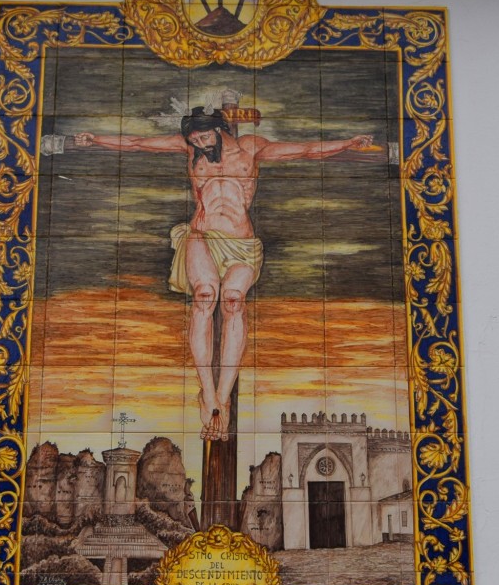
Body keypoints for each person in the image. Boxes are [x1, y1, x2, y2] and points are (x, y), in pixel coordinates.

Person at [74, 109, 376, 440]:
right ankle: (208, 392)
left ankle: (224, 392)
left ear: (220, 129)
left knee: (233, 301)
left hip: (242, 243)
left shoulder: (251, 148)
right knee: (205, 296)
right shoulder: (190, 150)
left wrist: (347, 142)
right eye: (195, 141)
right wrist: (95, 138)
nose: (201, 145)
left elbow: (303, 149)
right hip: (201, 236)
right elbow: (136, 143)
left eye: (204, 138)